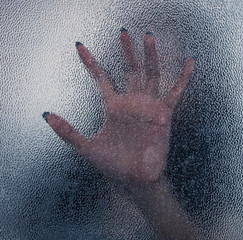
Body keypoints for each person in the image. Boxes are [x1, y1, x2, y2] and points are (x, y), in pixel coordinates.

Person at [43, 28, 202, 239]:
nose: (151, 100)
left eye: (171, 65)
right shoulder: (72, 176)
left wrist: (148, 191)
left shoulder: (206, 174)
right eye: (155, 63)